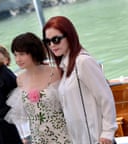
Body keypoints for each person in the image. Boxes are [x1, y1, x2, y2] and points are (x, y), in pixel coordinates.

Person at [42, 16, 117, 144]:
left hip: (97, 139)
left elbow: (106, 97)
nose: (52, 45)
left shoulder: (83, 62)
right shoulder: (64, 67)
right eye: (48, 42)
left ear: (69, 36)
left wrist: (108, 133)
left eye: (56, 40)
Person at [5, 32, 71, 143]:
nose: (18, 59)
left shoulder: (55, 72)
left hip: (63, 134)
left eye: (22, 54)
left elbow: (70, 105)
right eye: (15, 55)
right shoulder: (19, 79)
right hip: (38, 138)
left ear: (33, 52)